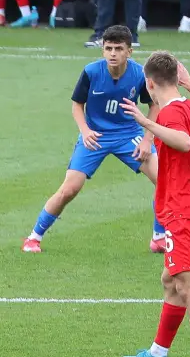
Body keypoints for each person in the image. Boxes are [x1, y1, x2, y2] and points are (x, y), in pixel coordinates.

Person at [119, 52, 190, 357]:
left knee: (188, 284)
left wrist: (146, 123)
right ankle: (157, 354)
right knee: (170, 280)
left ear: (149, 83)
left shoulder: (172, 113)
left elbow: (181, 141)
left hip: (184, 209)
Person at [23, 24, 166, 254]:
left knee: (164, 180)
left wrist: (148, 139)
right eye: (108, 48)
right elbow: (77, 105)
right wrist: (85, 131)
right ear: (102, 50)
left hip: (128, 134)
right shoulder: (91, 72)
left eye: (118, 48)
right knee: (69, 189)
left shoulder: (140, 74)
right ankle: (34, 237)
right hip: (95, 137)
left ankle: (159, 237)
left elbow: (154, 106)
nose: (112, 53)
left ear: (129, 51)